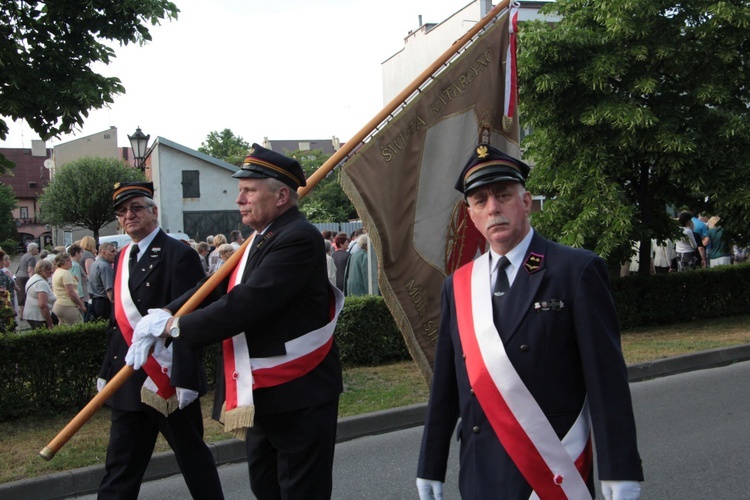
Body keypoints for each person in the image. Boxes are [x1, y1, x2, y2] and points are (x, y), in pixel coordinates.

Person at [416, 144, 643, 500]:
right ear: (471, 215)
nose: (493, 209)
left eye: (503, 196)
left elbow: (606, 380)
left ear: (526, 202)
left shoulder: (575, 271)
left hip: (551, 467)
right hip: (480, 469)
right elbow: (445, 384)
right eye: (481, 201)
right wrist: (430, 464)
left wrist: (620, 468)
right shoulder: (458, 286)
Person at [126, 144, 344, 499]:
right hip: (264, 390)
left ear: (281, 195)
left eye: (249, 190)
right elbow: (213, 286)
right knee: (266, 488)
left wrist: (175, 329)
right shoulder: (263, 237)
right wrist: (168, 311)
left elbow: (245, 303)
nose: (239, 199)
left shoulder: (297, 238)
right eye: (240, 190)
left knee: (300, 491)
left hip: (298, 393)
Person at [97, 182, 224, 499]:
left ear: (154, 211)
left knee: (192, 458)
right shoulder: (122, 256)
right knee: (120, 466)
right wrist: (105, 370)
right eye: (122, 211)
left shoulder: (178, 254)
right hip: (129, 376)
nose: (129, 215)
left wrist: (184, 377)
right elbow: (119, 323)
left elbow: (190, 317)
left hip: (167, 380)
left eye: (137, 208)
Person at [51, 252, 87, 325]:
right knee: (78, 326)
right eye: (69, 261)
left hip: (58, 305)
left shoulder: (57, 272)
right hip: (67, 305)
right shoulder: (65, 273)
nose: (71, 262)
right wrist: (81, 305)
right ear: (64, 262)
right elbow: (71, 292)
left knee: (64, 328)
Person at [22, 260, 56, 329]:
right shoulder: (41, 283)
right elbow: (43, 305)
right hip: (38, 317)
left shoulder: (34, 278)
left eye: (51, 269)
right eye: (48, 269)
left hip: (33, 315)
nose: (51, 271)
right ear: (40, 271)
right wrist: (50, 323)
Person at [89, 242, 116, 321]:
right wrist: (115, 305)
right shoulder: (105, 267)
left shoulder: (94, 264)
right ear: (103, 252)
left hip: (95, 301)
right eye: (112, 251)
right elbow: (109, 290)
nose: (114, 254)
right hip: (104, 302)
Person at [16, 241, 39, 317]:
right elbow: (30, 270)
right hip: (26, 278)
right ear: (32, 249)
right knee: (28, 295)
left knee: (21, 295)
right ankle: (27, 314)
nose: (38, 250)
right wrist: (32, 281)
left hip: (19, 277)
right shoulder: (31, 258)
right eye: (36, 248)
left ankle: (21, 314)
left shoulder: (24, 256)